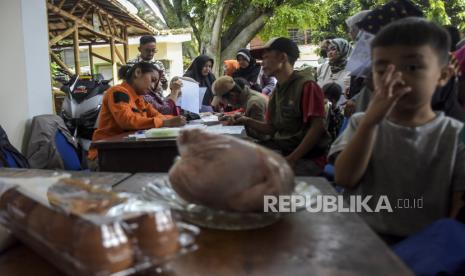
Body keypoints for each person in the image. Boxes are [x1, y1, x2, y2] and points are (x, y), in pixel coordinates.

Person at [330, 18, 465, 243]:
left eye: (412, 67)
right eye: (382, 70)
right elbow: (345, 178)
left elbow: (458, 206)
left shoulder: (455, 135)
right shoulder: (361, 122)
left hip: (423, 251)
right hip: (359, 239)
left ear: (443, 74)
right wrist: (370, 123)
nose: (396, 78)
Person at [238, 37, 330, 176]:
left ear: (282, 57)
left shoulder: (307, 86)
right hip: (284, 150)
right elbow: (271, 128)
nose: (262, 64)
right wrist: (245, 120)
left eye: (266, 58)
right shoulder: (277, 90)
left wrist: (292, 159)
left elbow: (317, 128)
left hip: (306, 158)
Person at [88, 62, 186, 162]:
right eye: (153, 80)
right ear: (138, 72)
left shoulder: (140, 99)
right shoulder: (118, 92)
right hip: (104, 154)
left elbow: (158, 115)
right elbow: (127, 121)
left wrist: (175, 119)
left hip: (126, 149)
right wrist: (164, 123)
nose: (153, 86)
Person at [317, 38, 352, 106]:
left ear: (343, 49)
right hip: (321, 110)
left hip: (343, 111)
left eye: (333, 49)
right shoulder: (322, 67)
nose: (329, 53)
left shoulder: (353, 69)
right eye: (328, 50)